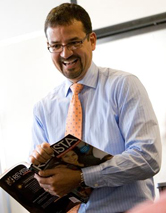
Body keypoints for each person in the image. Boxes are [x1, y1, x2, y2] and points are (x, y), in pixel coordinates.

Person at [29, 3, 162, 213]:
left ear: (91, 41)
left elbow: (147, 158)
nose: (65, 54)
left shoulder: (124, 86)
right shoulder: (43, 109)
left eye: (73, 42)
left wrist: (82, 178)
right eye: (56, 46)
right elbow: (44, 183)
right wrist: (42, 171)